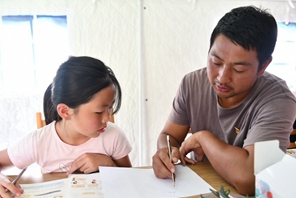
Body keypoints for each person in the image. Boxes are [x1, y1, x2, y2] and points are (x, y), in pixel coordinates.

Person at [152, 6, 296, 196]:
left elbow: (250, 180)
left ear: (263, 66)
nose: (222, 77)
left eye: (238, 69)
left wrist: (203, 138)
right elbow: (169, 135)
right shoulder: (192, 83)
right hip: (200, 188)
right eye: (216, 62)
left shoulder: (278, 100)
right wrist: (166, 152)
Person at [0, 56, 132, 197]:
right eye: (99, 111)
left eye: (110, 108)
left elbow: (130, 178)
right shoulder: (38, 142)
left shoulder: (113, 136)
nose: (107, 118)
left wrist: (109, 164)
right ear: (65, 111)